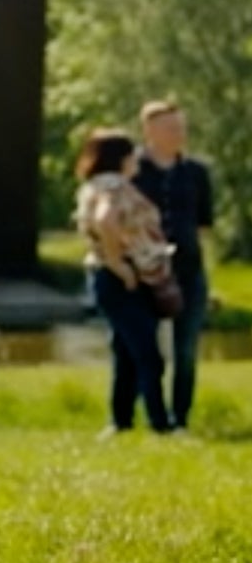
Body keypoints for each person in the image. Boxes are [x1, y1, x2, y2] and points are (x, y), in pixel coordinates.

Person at [76, 128, 180, 435]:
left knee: (126, 351)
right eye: (131, 153)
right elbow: (106, 220)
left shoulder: (94, 185)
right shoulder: (114, 186)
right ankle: (160, 423)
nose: (137, 158)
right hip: (122, 278)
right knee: (149, 354)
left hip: (111, 277)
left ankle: (120, 421)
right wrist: (119, 264)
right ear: (120, 158)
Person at [133, 100, 216, 429]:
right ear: (149, 131)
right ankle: (152, 419)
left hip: (188, 271)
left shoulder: (197, 172)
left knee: (186, 351)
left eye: (181, 128)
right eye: (171, 128)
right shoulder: (133, 170)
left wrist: (210, 275)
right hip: (144, 273)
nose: (179, 134)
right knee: (143, 352)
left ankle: (181, 418)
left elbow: (204, 226)